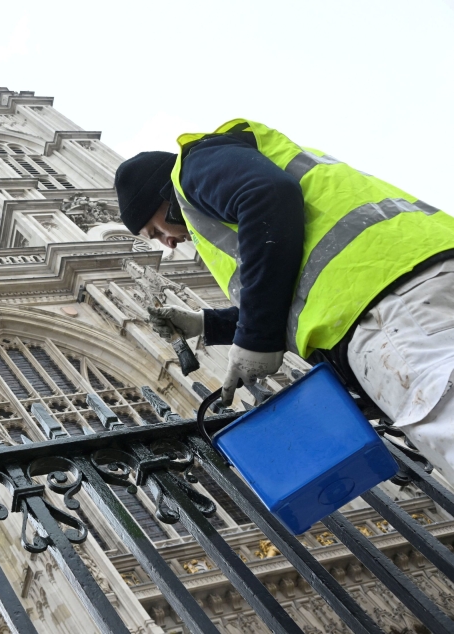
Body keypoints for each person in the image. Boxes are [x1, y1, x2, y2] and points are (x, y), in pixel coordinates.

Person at [113, 119, 454, 477]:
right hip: (413, 282)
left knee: (439, 412)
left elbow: (268, 196)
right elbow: (300, 284)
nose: (167, 243)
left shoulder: (194, 168)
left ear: (161, 198)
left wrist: (256, 338)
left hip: (386, 305)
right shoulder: (224, 189)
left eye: (155, 230)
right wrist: (208, 324)